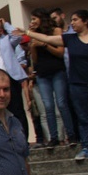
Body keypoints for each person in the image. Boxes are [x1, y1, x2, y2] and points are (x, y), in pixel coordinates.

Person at [23, 10, 88, 159]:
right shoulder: (70, 39)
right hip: (78, 83)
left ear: (85, 21)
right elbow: (48, 38)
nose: (72, 23)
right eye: (71, 20)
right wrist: (27, 32)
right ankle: (86, 147)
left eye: (75, 20)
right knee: (83, 117)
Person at [26, 8, 75, 148]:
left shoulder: (56, 31)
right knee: (47, 106)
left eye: (34, 18)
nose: (32, 22)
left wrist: (45, 44)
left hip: (57, 71)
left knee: (61, 103)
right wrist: (33, 45)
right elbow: (34, 60)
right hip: (42, 74)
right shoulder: (35, 35)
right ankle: (53, 137)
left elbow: (60, 53)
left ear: (42, 18)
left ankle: (70, 135)